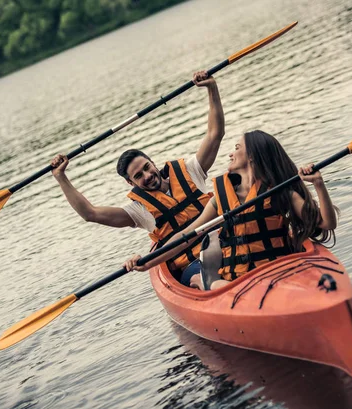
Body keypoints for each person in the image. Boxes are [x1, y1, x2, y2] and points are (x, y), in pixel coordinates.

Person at [51, 71, 225, 280]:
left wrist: (211, 88)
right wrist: (61, 177)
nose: (147, 175)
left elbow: (215, 134)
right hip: (193, 263)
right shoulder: (138, 210)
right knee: (200, 277)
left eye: (146, 167)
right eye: (138, 175)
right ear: (130, 182)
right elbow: (91, 214)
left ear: (152, 162)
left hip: (227, 242)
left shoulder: (190, 171)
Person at [123, 130, 337, 290]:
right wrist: (147, 261)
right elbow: (186, 236)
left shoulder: (280, 193)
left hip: (277, 267)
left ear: (251, 157)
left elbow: (326, 223)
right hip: (240, 279)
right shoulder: (221, 199)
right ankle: (202, 281)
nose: (230, 154)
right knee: (216, 282)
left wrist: (318, 184)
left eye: (236, 148)